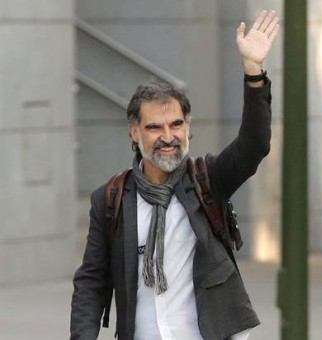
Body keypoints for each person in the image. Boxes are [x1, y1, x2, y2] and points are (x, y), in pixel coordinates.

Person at [70, 10, 279, 340]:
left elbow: (254, 145)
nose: (168, 136)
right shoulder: (110, 200)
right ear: (134, 133)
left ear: (188, 127)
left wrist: (253, 71)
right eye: (154, 127)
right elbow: (92, 281)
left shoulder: (207, 181)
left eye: (176, 125)